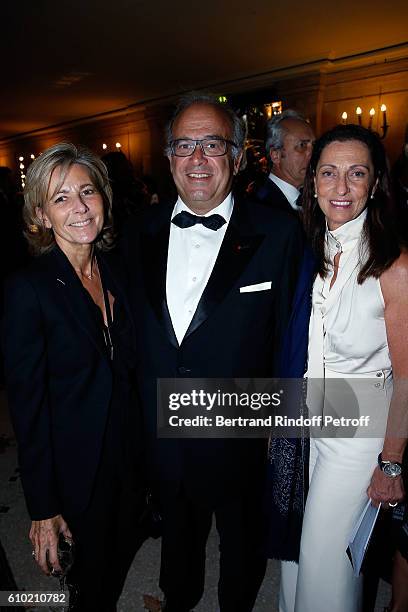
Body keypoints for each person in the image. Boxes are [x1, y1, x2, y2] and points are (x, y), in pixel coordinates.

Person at [130, 93, 303, 612]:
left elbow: (290, 338)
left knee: (241, 548)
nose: (198, 159)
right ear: (168, 158)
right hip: (163, 427)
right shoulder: (137, 231)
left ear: (237, 155)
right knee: (178, 545)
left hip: (241, 432)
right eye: (185, 145)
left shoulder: (278, 233)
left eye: (212, 144)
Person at [2, 143, 147, 611]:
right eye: (61, 198)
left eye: (87, 191)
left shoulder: (118, 269)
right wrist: (43, 508)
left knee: (121, 547)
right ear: (41, 215)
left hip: (128, 452)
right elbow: (28, 408)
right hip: (76, 466)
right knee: (92, 580)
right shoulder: (29, 290)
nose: (80, 207)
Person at [279, 123, 408, 612]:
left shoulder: (395, 267)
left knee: (323, 559)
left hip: (360, 434)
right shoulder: (314, 252)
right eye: (329, 173)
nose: (341, 187)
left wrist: (390, 462)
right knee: (295, 559)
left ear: (375, 184)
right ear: (312, 182)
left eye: (357, 174)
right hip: (312, 421)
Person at [253, 109, 314, 214]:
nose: (312, 153)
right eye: (302, 145)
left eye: (314, 145)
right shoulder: (260, 208)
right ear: (276, 155)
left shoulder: (314, 197)